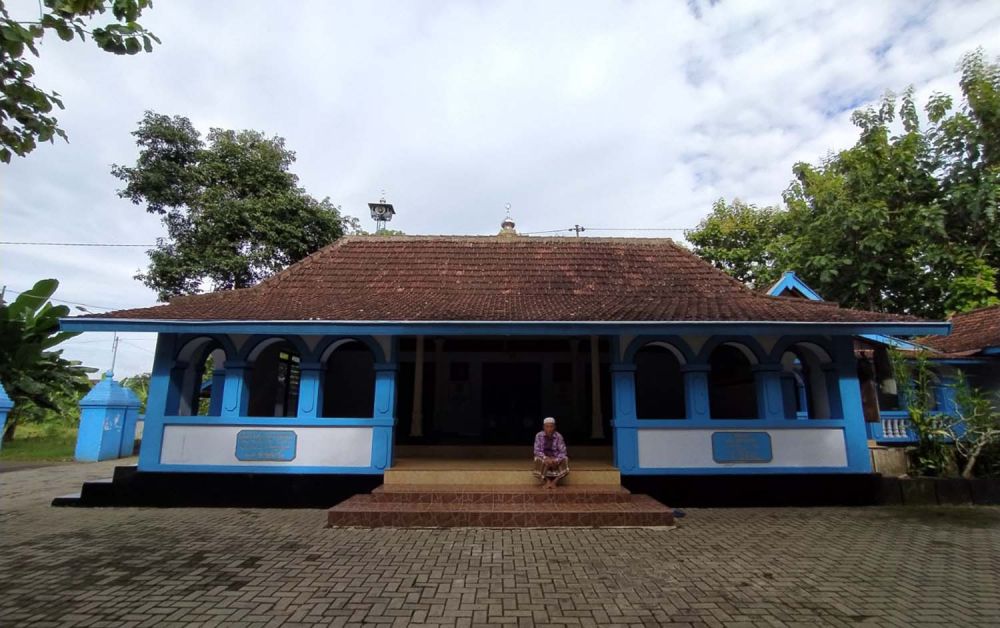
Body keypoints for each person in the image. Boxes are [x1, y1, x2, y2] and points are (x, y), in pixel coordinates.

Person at [533, 417, 569, 489]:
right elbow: (536, 451)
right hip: (544, 458)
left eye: (551, 426)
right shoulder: (539, 435)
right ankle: (547, 481)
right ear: (544, 427)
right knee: (537, 459)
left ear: (554, 427)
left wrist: (556, 460)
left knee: (565, 459)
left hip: (555, 458)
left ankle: (554, 482)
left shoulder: (559, 436)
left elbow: (563, 452)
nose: (549, 429)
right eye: (547, 427)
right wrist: (546, 458)